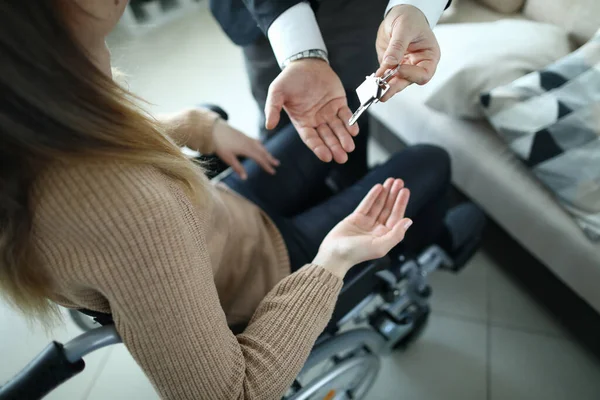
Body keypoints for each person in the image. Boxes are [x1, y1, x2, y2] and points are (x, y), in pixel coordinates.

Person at [0, 1, 453, 399]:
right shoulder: (125, 211)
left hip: (222, 213)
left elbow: (102, 137)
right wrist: (331, 263)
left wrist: (198, 125)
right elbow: (233, 394)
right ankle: (412, 251)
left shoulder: (38, 106)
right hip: (264, 273)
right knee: (431, 161)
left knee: (333, 125)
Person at [211, 0, 452, 185]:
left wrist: (416, 7)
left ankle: (351, 183)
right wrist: (300, 53)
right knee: (284, 120)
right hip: (271, 15)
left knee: (347, 109)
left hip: (362, 10)